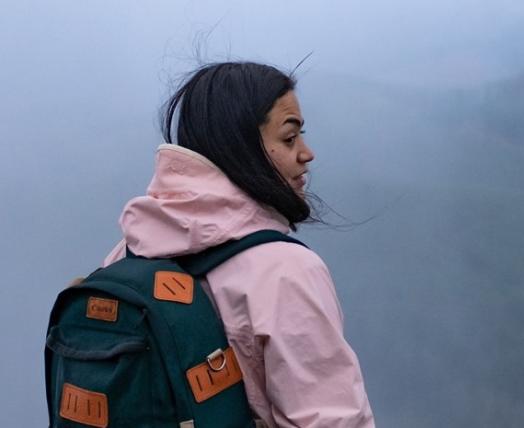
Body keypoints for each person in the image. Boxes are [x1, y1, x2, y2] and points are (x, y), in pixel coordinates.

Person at [103, 62, 375, 428]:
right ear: (240, 146)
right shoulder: (284, 270)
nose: (306, 153)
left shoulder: (126, 256)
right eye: (289, 138)